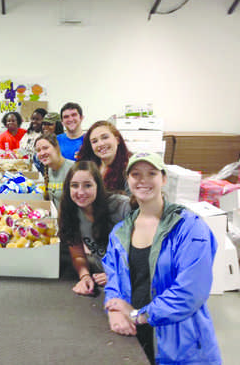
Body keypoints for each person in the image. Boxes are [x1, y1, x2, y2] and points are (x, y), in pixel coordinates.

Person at [103, 152, 221, 365]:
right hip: (135, 338)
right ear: (128, 180)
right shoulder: (120, 232)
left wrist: (140, 315)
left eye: (151, 173)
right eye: (136, 174)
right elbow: (114, 278)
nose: (143, 180)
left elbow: (191, 292)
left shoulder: (189, 228)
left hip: (181, 346)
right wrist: (113, 309)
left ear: (164, 179)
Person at [58, 161, 130, 295]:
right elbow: (78, 255)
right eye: (74, 186)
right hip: (102, 279)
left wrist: (119, 276)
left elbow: (145, 254)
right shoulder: (71, 212)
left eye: (87, 185)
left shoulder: (122, 207)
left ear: (98, 185)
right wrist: (84, 276)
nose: (80, 192)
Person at [77, 120, 131, 194]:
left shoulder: (129, 169)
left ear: (117, 140)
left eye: (105, 137)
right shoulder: (89, 168)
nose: (100, 144)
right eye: (94, 141)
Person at [34, 133, 74, 209]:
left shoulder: (73, 169)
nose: (42, 153)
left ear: (56, 148)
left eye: (45, 148)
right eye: (38, 150)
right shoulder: (49, 170)